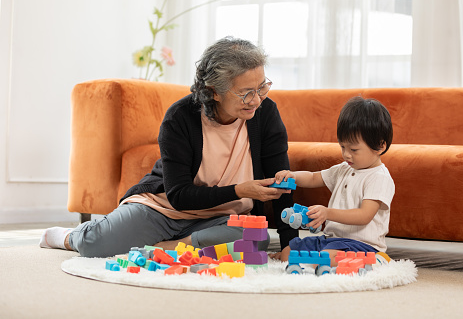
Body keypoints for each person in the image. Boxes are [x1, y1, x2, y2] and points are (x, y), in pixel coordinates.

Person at [40, 36, 298, 258]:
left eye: (262, 87)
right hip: (163, 209)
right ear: (214, 92)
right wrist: (240, 190)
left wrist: (289, 243)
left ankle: (174, 246)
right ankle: (70, 236)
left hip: (221, 217)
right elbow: (179, 195)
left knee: (256, 240)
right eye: (245, 93)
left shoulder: (266, 114)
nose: (256, 100)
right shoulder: (180, 117)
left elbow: (281, 183)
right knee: (94, 244)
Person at [271, 96, 395, 266]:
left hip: (362, 245)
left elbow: (364, 216)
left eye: (354, 149)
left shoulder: (379, 177)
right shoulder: (344, 168)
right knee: (288, 251)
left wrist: (327, 213)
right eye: (342, 147)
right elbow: (314, 177)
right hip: (331, 240)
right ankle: (307, 261)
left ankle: (376, 260)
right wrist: (293, 175)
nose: (346, 154)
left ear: (380, 146)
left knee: (327, 256)